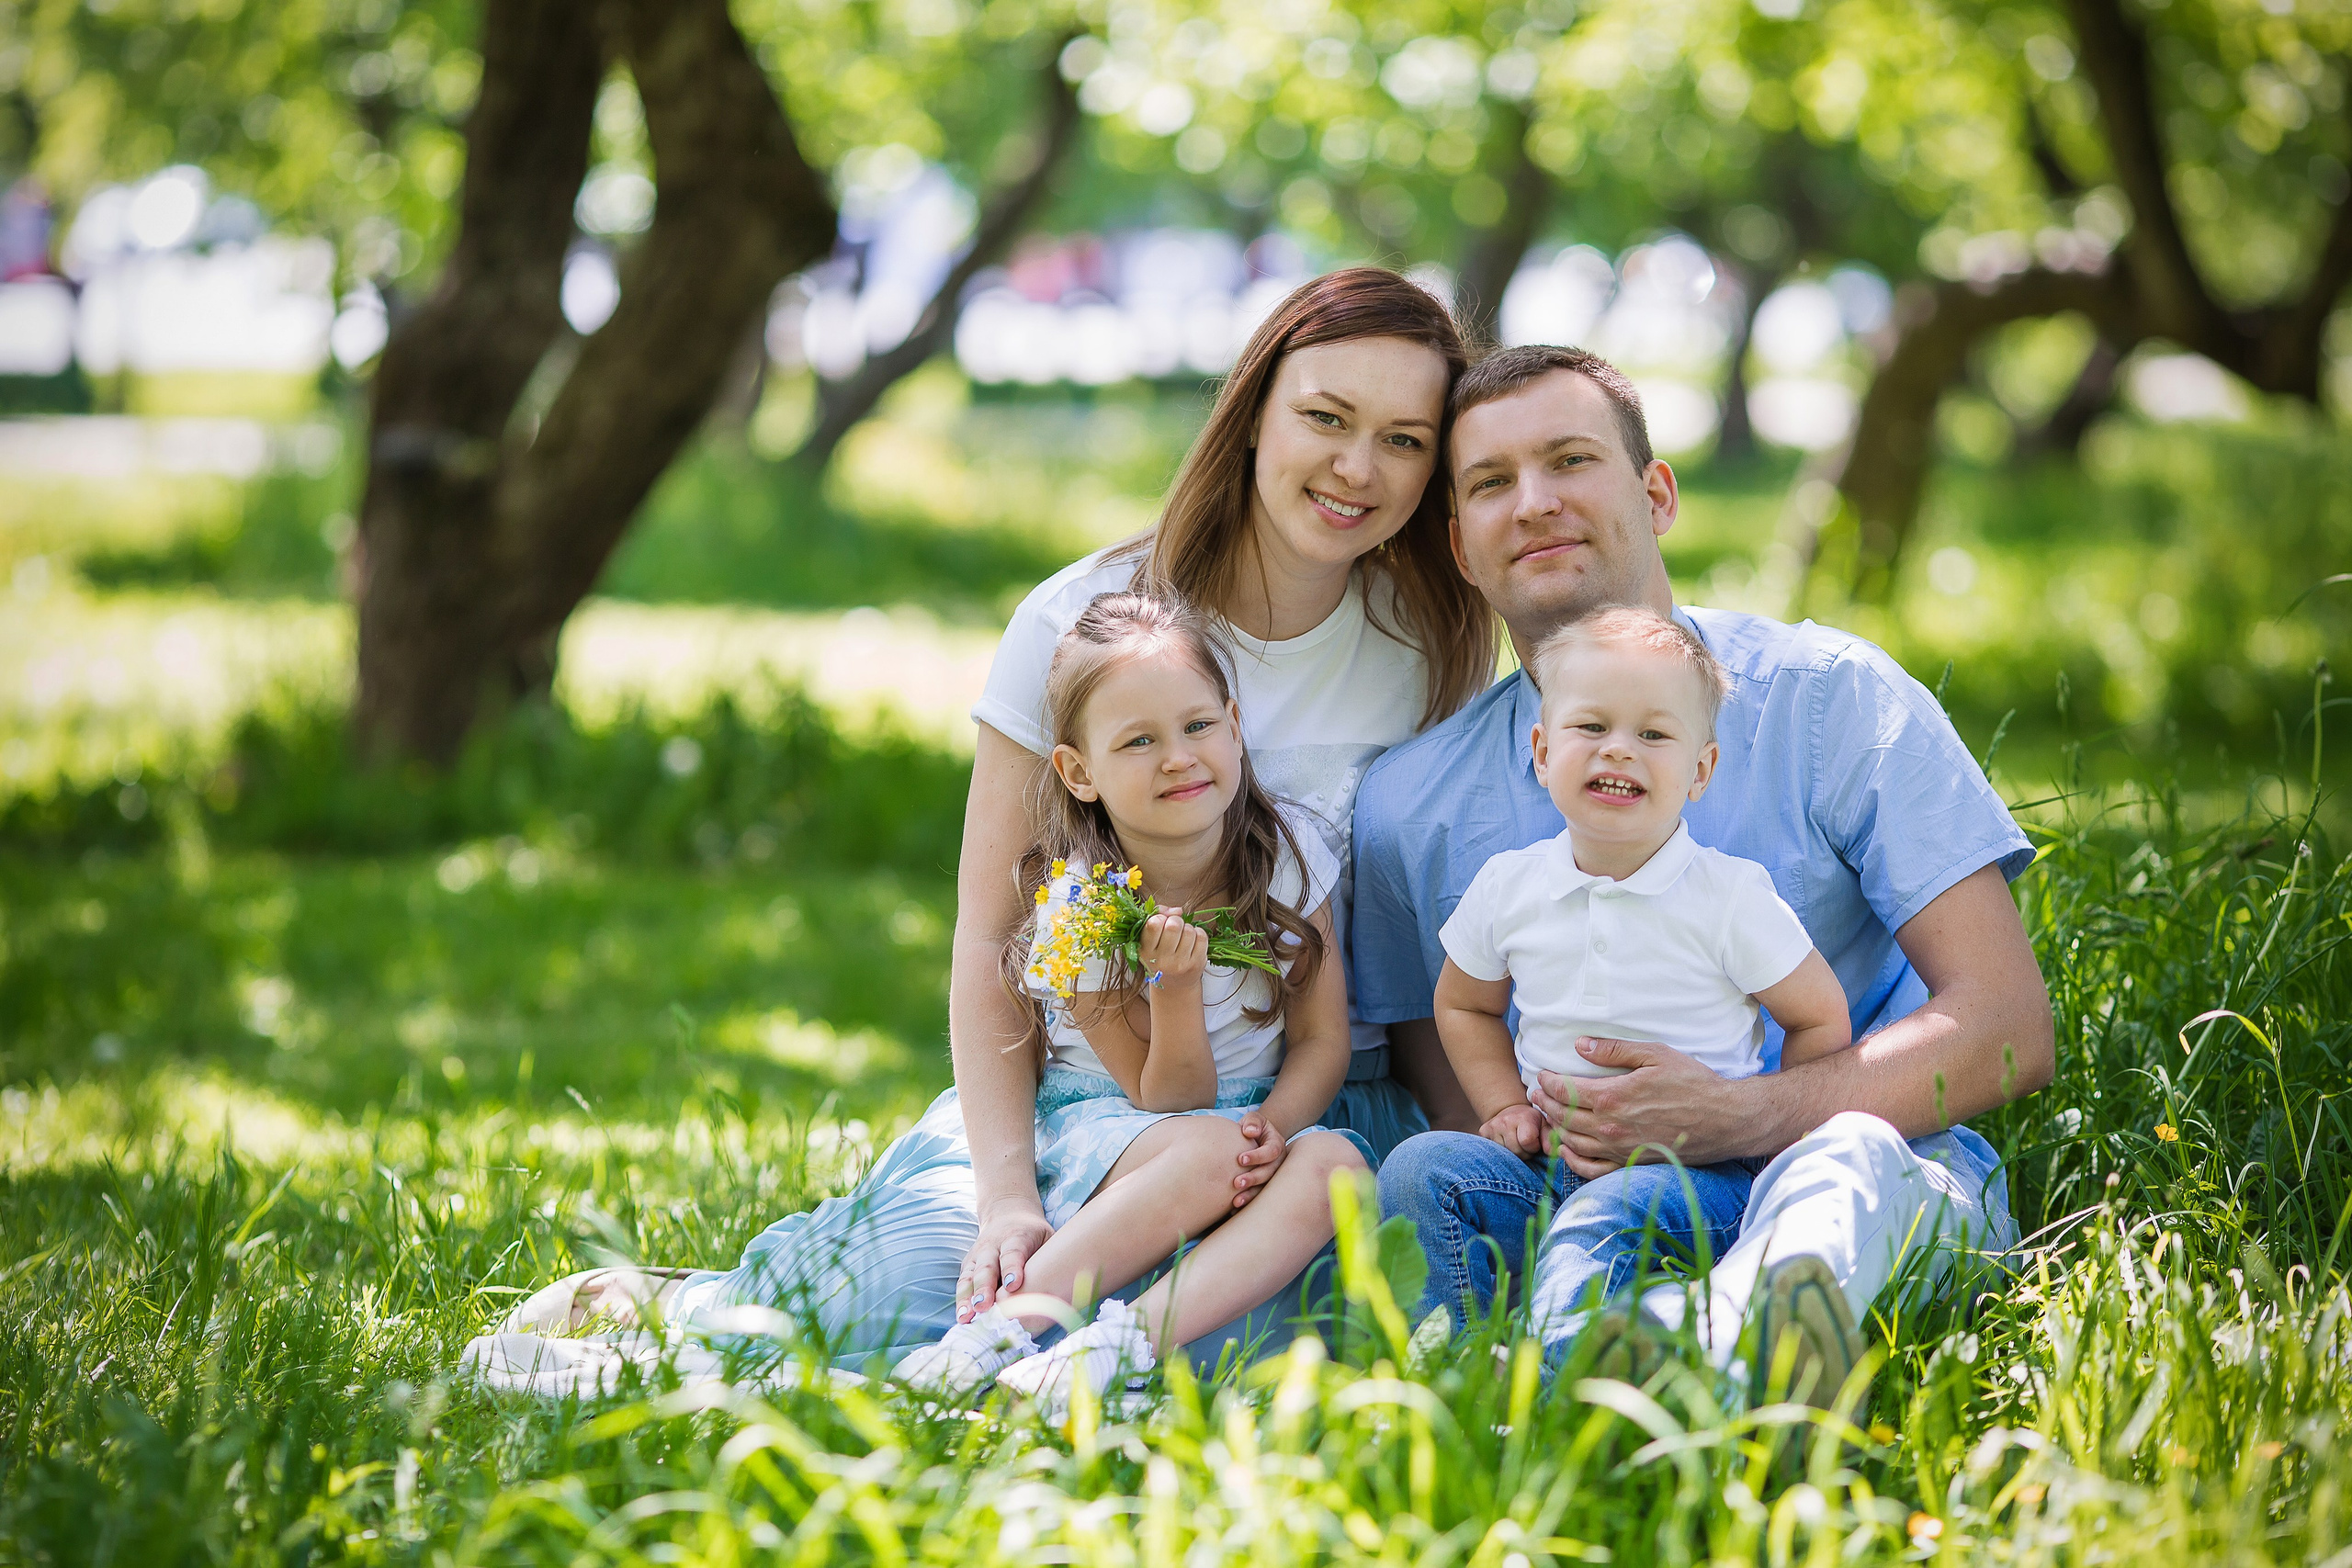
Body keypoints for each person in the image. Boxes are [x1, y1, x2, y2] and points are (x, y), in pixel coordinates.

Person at [492, 267, 1493, 1369]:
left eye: (1404, 440)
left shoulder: (1425, 645)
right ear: (1253, 415)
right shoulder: (1085, 620)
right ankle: (683, 1306)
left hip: (1307, 1112)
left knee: (1256, 1344)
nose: (1357, 467)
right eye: (1325, 418)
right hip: (1088, 1101)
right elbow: (991, 932)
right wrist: (1008, 1192)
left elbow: (1415, 945)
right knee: (884, 1313)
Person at [1363, 345, 2055, 1403]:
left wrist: (1744, 1115)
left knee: (1851, 1164)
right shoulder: (1408, 802)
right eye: (1492, 482)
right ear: (1459, 544)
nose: (1534, 502)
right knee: (1424, 1178)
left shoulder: (1834, 700)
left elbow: (2007, 1027)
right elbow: (1441, 1067)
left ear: (1656, 494)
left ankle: (1713, 1365)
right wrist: (1553, 1140)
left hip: (1833, 1175)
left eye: (1569, 460)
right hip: (1575, 1194)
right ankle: (1518, 1382)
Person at [893, 592, 1369, 1412]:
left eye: (1196, 726)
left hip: (1241, 1123)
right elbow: (1167, 1096)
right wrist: (1175, 990)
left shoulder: (1290, 856)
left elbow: (1324, 1038)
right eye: (1138, 741)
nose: (1178, 757)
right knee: (1208, 1147)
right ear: (1079, 772)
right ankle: (999, 1329)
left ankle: (1111, 1351)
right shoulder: (1081, 909)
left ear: (1234, 724)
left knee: (1340, 1170)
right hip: (1117, 1124)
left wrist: (1277, 1128)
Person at [1430, 605, 1850, 1363]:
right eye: (1591, 727)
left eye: (1653, 735)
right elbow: (1463, 1002)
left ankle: (1552, 1406)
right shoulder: (1510, 887)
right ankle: (1453, 1366)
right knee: (1422, 1171)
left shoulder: (1727, 897)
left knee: (1604, 1218)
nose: (1618, 750)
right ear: (1542, 750)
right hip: (1544, 1165)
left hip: (1692, 1177)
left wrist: (1765, 1136)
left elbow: (1820, 1017)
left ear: (1700, 771)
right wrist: (1499, 1104)